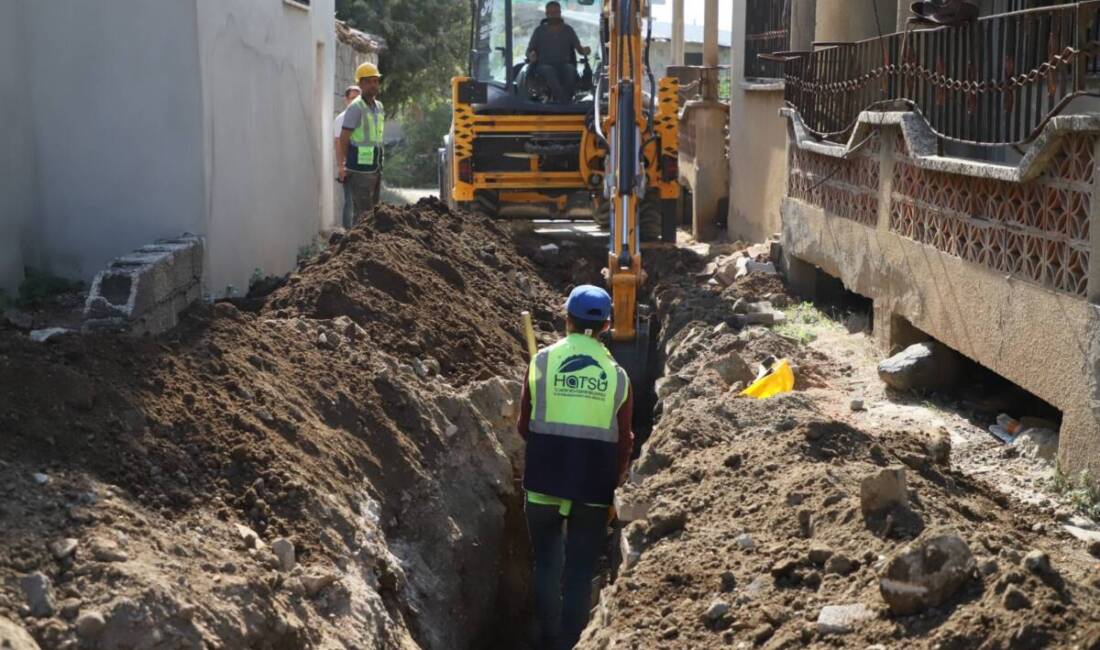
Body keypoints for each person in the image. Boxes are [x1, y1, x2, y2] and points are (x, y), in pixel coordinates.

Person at [517, 285, 634, 650]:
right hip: (593, 489)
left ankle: (547, 638)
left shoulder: (542, 362)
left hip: (543, 482)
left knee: (548, 563)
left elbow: (524, 425)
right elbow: (625, 440)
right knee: (581, 570)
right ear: (607, 326)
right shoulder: (618, 377)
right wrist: (616, 480)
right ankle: (574, 642)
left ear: (566, 319)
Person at [337, 63, 385, 222]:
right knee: (362, 214)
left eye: (375, 81)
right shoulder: (355, 107)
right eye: (368, 81)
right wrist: (343, 163)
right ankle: (359, 244)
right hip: (359, 169)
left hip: (375, 167)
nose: (373, 85)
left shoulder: (378, 107)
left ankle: (370, 245)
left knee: (374, 211)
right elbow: (343, 138)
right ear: (360, 84)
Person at [526, 1, 592, 104]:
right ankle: (563, 103)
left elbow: (579, 49)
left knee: (570, 70)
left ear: (560, 13)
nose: (553, 15)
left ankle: (565, 101)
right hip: (544, 65)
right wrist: (531, 55)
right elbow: (529, 50)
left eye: (555, 12)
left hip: (564, 64)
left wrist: (585, 50)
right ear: (546, 14)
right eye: (550, 13)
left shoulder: (568, 30)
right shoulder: (539, 31)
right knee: (549, 71)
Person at [334, 85, 362, 230]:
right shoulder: (341, 119)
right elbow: (338, 144)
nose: (356, 101)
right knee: (350, 201)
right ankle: (348, 234)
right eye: (353, 98)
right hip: (349, 166)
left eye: (358, 98)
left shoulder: (366, 117)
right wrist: (340, 166)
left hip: (364, 166)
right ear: (346, 100)